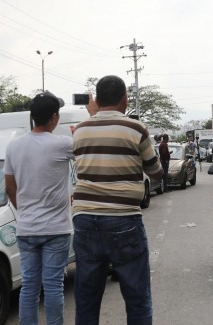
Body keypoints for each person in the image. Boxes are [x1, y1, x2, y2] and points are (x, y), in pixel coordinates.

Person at [72, 75, 163, 324]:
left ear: (97, 100)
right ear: (125, 99)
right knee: (137, 298)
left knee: (87, 299)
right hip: (124, 220)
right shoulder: (136, 128)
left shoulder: (80, 130)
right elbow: (155, 171)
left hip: (84, 219)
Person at [3, 91, 73, 325]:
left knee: (29, 287)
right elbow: (88, 148)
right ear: (54, 117)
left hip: (27, 228)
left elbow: (10, 187)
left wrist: (23, 212)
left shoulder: (13, 147)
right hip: (56, 229)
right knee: (53, 286)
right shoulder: (63, 144)